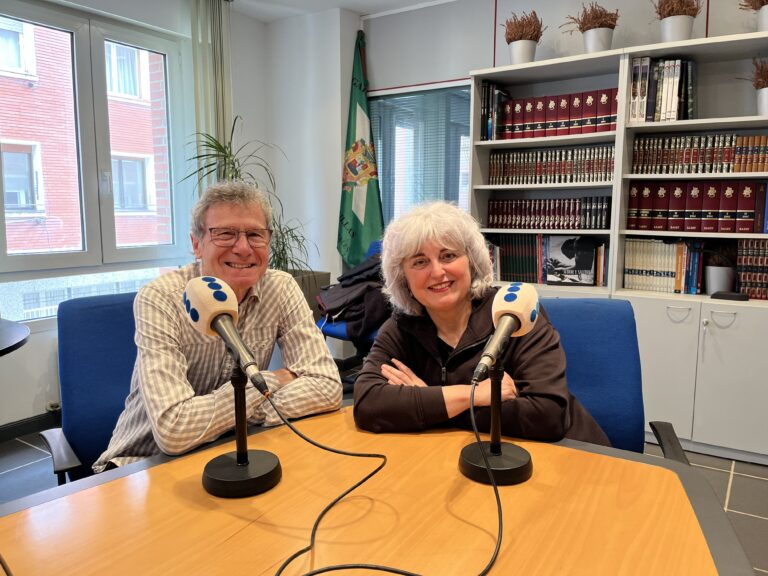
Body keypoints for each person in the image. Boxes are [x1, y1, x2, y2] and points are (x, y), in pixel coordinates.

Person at [94, 181, 342, 471]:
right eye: (225, 234)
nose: (243, 248)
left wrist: (236, 412)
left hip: (235, 446)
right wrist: (271, 382)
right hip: (142, 465)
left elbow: (327, 388)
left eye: (254, 235)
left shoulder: (281, 287)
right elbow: (173, 430)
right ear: (197, 244)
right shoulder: (162, 298)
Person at [353, 201, 609, 445]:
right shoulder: (401, 326)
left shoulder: (514, 312)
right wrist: (473, 396)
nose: (437, 272)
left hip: (572, 456)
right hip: (468, 454)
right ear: (403, 277)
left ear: (472, 262)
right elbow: (367, 404)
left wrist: (429, 400)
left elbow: (546, 415)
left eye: (448, 255)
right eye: (420, 262)